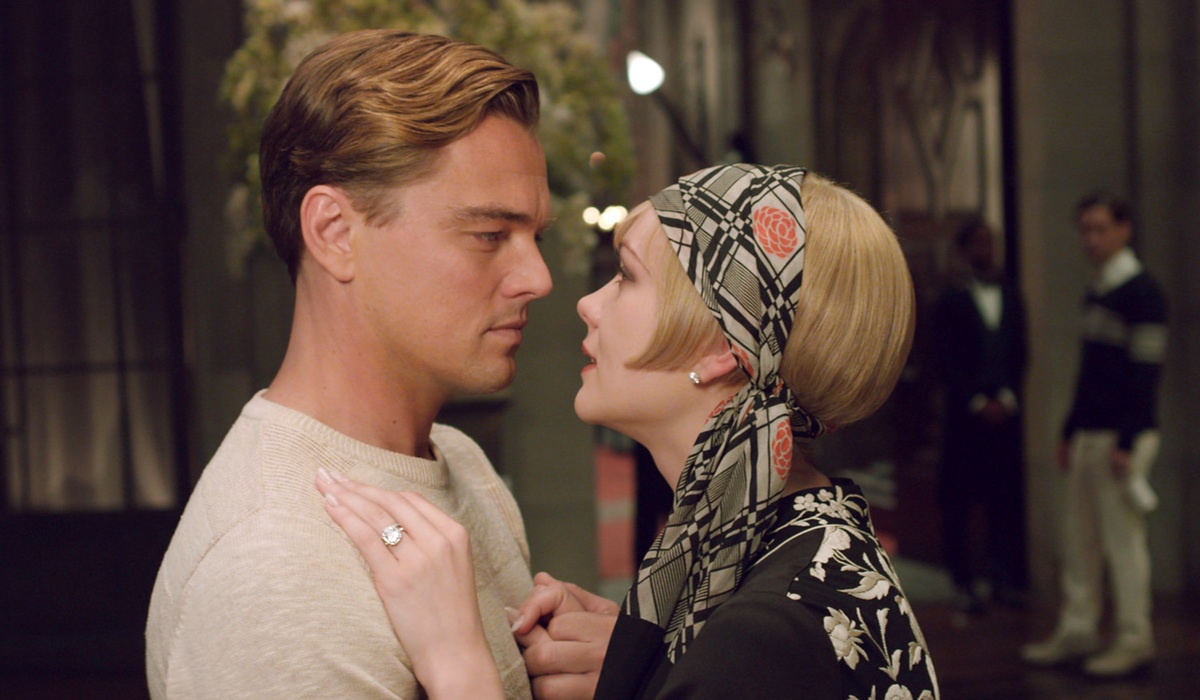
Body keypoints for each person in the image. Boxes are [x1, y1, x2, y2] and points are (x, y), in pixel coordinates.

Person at [318, 164, 940, 698]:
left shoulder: (761, 638)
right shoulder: (808, 539)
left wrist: (458, 662)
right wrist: (651, 663)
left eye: (627, 276)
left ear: (722, 347)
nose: (588, 303)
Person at [145, 30, 552, 698]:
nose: (538, 278)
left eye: (536, 237)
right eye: (488, 235)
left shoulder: (463, 464)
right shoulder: (274, 568)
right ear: (335, 233)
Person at [1021, 192, 1167, 677]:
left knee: (1122, 542)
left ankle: (1134, 638)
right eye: (1085, 229)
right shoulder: (1099, 288)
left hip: (1121, 436)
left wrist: (1127, 440)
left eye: (1101, 228)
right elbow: (1090, 372)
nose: (1091, 239)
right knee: (1079, 539)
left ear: (1124, 229)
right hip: (1090, 433)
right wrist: (1070, 429)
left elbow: (1146, 371)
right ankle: (1078, 629)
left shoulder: (1143, 292)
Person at [930, 219, 1028, 614]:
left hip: (1005, 416)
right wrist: (975, 400)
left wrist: (1005, 397)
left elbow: (1019, 350)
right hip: (964, 418)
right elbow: (943, 356)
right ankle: (963, 582)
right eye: (978, 242)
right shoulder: (950, 298)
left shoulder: (1011, 293)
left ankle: (1002, 579)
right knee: (958, 501)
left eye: (990, 242)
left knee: (1003, 499)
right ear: (963, 249)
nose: (985, 249)